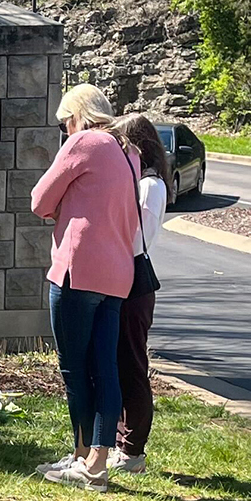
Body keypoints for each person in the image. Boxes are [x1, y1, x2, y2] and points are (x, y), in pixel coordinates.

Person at [30, 83, 140, 490]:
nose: (65, 130)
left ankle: (84, 458)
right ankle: (96, 460)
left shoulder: (84, 142)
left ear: (76, 115)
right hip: (117, 274)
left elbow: (39, 200)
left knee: (75, 368)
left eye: (64, 123)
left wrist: (62, 206)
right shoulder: (128, 149)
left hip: (78, 271)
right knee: (105, 368)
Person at [110, 112, 170, 473]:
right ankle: (120, 442)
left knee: (132, 364)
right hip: (123, 276)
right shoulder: (141, 182)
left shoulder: (149, 185)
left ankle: (133, 449)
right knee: (117, 363)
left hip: (134, 278)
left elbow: (136, 236)